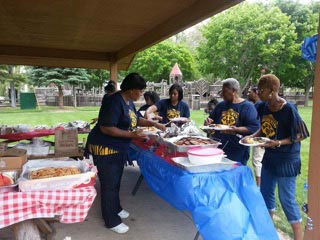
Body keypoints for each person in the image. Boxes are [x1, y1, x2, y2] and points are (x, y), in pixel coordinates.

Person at [86, 73, 165, 234]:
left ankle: (116, 207)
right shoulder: (114, 101)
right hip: (105, 147)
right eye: (140, 91)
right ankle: (111, 220)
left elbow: (135, 119)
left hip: (118, 147)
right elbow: (106, 127)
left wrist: (152, 123)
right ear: (130, 89)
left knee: (116, 180)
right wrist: (132, 135)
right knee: (109, 183)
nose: (141, 94)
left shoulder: (128, 101)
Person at [245, 74, 309, 240]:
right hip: (270, 158)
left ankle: (297, 237)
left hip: (287, 160)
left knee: (286, 199)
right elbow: (264, 129)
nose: (258, 92)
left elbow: (302, 134)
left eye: (262, 89)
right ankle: (268, 234)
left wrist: (278, 142)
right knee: (266, 194)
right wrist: (252, 137)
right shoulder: (263, 106)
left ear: (273, 90)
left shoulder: (288, 109)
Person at [204, 78, 260, 165]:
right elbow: (210, 125)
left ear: (234, 91)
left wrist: (236, 130)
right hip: (218, 150)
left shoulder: (247, 107)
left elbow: (254, 128)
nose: (222, 94)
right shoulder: (220, 105)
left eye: (225, 91)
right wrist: (207, 123)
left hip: (237, 152)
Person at [247, 85, 265, 187]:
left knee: (257, 160)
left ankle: (258, 185)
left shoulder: (259, 105)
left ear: (256, 93)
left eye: (250, 92)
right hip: (259, 135)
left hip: (259, 137)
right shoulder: (257, 105)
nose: (248, 94)